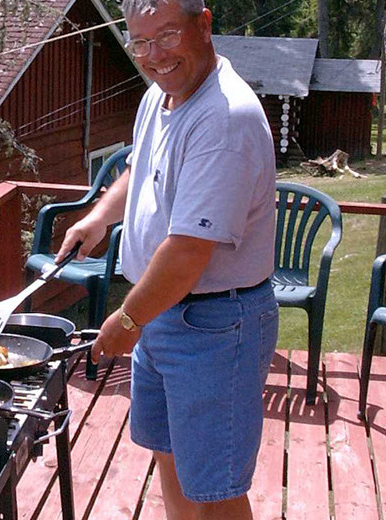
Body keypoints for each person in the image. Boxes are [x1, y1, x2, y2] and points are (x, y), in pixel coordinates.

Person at [54, 1, 279, 519]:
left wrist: (129, 318)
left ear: (204, 24)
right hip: (164, 313)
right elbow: (140, 171)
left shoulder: (226, 119)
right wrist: (100, 218)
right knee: (171, 457)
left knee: (216, 488)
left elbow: (187, 253)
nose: (154, 56)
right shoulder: (162, 97)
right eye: (140, 42)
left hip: (215, 325)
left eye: (167, 36)